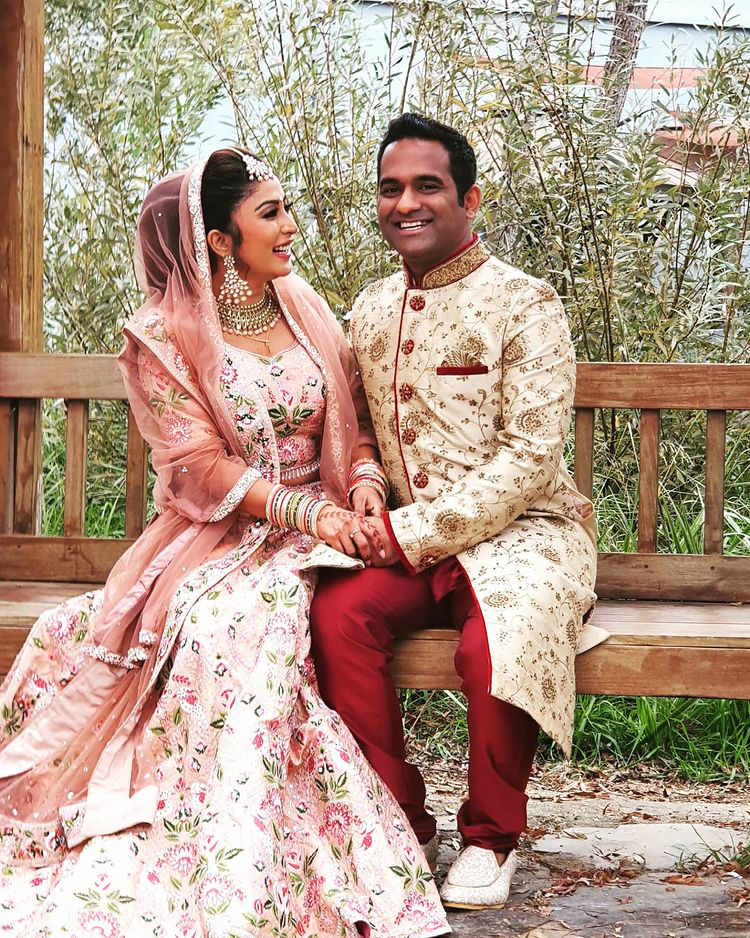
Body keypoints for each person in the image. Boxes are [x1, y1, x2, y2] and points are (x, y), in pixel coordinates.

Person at [0, 147, 450, 938]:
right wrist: (313, 517)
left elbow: (355, 420)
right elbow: (199, 469)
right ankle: (199, 838)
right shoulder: (162, 336)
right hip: (221, 532)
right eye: (270, 213)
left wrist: (365, 485)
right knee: (203, 625)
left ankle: (279, 831)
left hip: (325, 528)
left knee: (260, 625)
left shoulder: (303, 306)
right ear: (217, 239)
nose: (291, 226)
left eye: (287, 208)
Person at [310, 114, 607, 911]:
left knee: (497, 640)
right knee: (335, 613)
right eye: (390, 188)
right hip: (409, 539)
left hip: (526, 535)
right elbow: (358, 425)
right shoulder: (372, 307)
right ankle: (398, 822)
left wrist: (405, 532)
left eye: (427, 186)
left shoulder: (525, 303)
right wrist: (366, 484)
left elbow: (529, 459)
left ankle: (490, 837)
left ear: (470, 199)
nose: (405, 203)